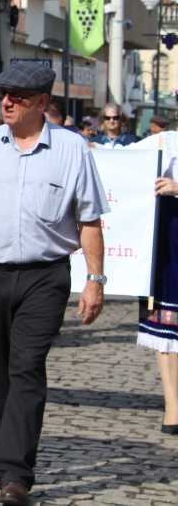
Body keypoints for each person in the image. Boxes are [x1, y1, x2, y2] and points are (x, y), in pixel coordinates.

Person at [0, 62, 108, 506]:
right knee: (0, 374)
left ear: (41, 103)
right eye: (3, 94)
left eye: (17, 96)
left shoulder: (74, 150)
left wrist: (95, 281)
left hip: (45, 276)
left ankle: (16, 474)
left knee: (26, 368)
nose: (6, 102)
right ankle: (6, 458)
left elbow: (89, 220)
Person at [127, 120, 178, 434]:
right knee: (165, 320)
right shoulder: (164, 142)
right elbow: (118, 161)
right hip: (169, 239)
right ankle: (173, 404)